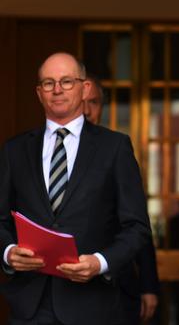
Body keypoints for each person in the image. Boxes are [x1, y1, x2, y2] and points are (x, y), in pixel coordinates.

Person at [0, 52, 151, 324]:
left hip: (93, 306)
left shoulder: (114, 148)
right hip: (29, 307)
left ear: (85, 88)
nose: (57, 90)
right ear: (39, 93)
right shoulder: (14, 150)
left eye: (67, 81)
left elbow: (137, 227)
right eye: (48, 83)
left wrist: (100, 262)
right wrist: (8, 252)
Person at [83, 77, 160, 324]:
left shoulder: (116, 149)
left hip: (117, 285)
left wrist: (149, 284)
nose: (86, 110)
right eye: (82, 102)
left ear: (102, 106)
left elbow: (137, 221)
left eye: (93, 102)